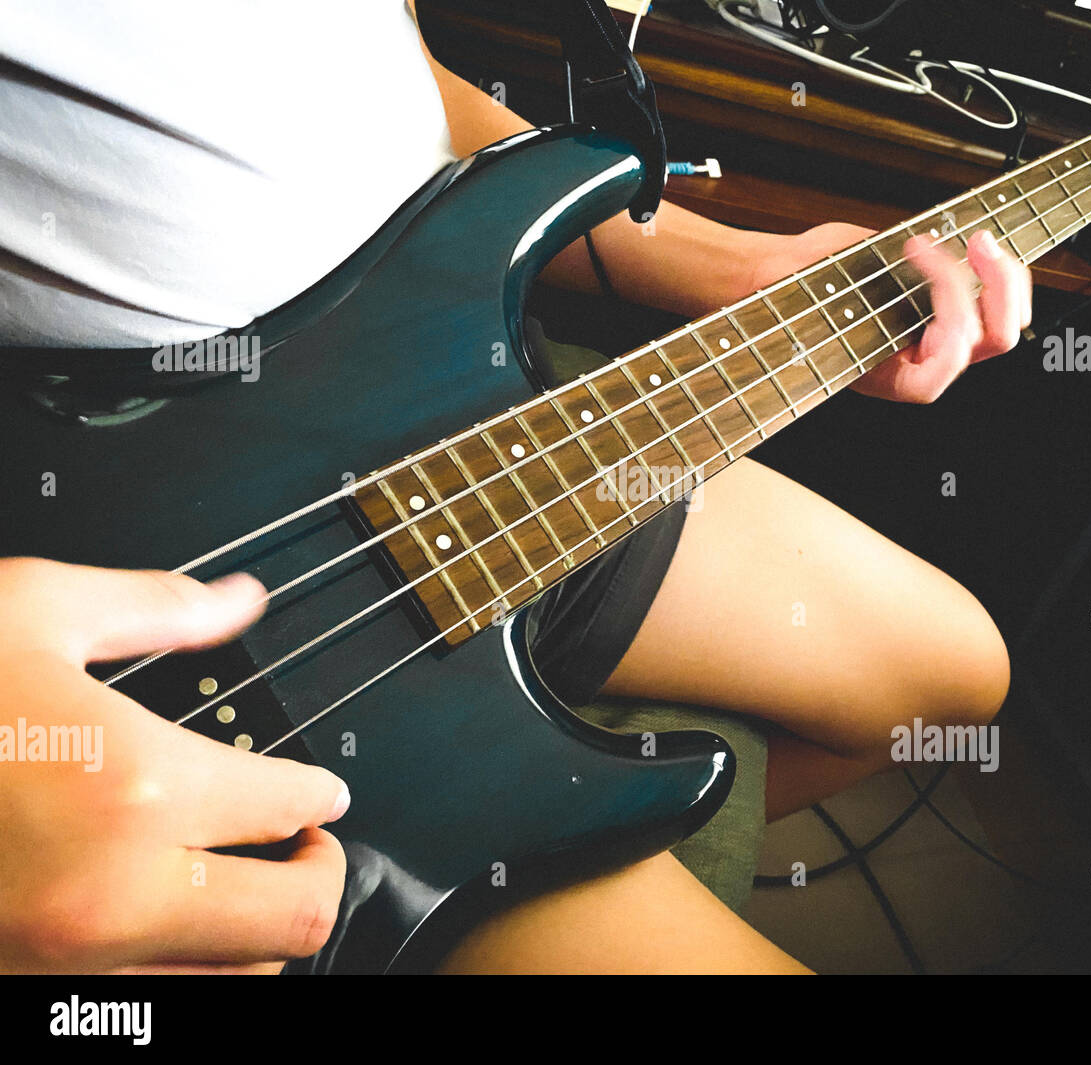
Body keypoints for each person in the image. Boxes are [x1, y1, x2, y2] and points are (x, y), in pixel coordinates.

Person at [0, 0, 1028, 974]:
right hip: (137, 532)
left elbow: (402, 79)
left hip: (447, 403)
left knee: (957, 678)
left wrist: (735, 265)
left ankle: (587, 830)